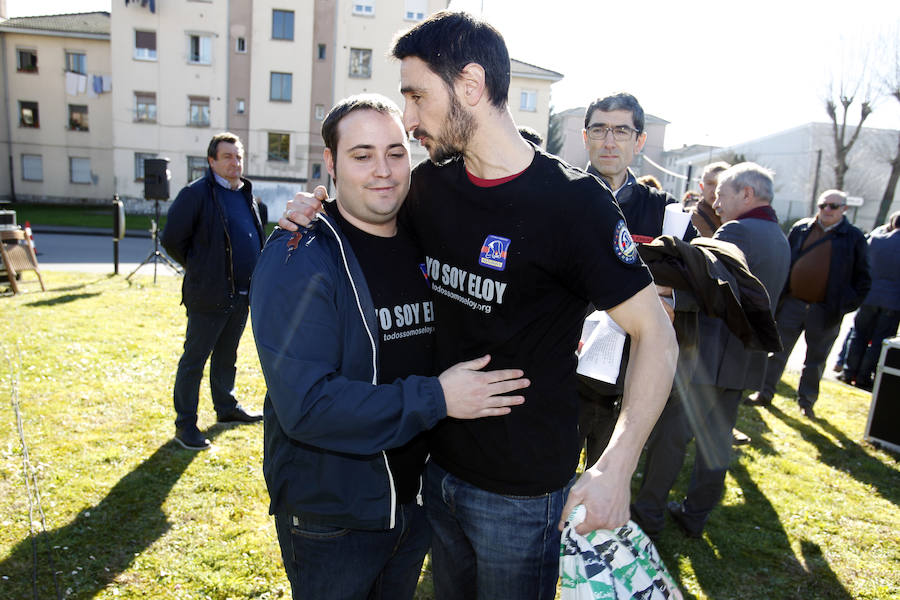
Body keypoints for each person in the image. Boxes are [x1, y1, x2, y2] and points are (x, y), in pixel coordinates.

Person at [281, 11, 677, 599]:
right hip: (434, 472)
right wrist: (311, 211)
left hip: (521, 495)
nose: (409, 119)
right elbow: (366, 214)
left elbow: (656, 336)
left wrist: (616, 466)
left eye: (416, 96)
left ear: (470, 84)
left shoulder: (574, 206)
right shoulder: (432, 188)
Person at [250, 94, 529, 599]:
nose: (383, 170)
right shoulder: (300, 255)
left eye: (395, 152)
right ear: (331, 163)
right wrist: (438, 398)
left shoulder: (421, 240)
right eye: (361, 155)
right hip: (335, 517)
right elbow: (307, 406)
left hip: (413, 504)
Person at [631, 163, 790, 538]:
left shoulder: (737, 230)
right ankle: (695, 514)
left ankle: (648, 514)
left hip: (709, 353)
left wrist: (672, 294)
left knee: (671, 435)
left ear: (747, 195)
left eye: (723, 193)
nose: (715, 201)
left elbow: (716, 288)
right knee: (716, 444)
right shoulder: (780, 236)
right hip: (742, 359)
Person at [576, 93, 697, 468]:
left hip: (628, 377)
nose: (609, 141)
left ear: (639, 140)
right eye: (599, 129)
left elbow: (694, 286)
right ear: (586, 137)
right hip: (564, 371)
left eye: (621, 131)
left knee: (607, 478)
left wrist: (672, 301)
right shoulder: (558, 194)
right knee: (549, 484)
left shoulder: (664, 211)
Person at [160, 132, 264, 450]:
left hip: (243, 295)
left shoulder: (247, 194)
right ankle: (185, 425)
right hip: (208, 295)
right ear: (212, 161)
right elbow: (171, 240)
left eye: (238, 156)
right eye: (227, 156)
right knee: (195, 360)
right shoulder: (195, 195)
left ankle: (226, 407)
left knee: (227, 356)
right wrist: (203, 269)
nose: (235, 162)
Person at [746, 190, 871, 418]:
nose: (827, 210)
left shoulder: (853, 237)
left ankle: (806, 402)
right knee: (776, 352)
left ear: (844, 209)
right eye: (823, 205)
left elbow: (863, 279)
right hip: (793, 304)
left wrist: (842, 306)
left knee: (815, 360)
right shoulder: (802, 228)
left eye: (833, 206)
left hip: (825, 310)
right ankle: (764, 393)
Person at [840, 211, 900, 390]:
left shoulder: (877, 240)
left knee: (859, 335)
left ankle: (848, 371)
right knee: (880, 340)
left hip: (870, 296)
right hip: (893, 301)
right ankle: (864, 377)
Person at [691, 161, 729, 237]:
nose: (715, 190)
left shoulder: (735, 218)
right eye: (710, 184)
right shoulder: (690, 218)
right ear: (702, 187)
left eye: (719, 184)